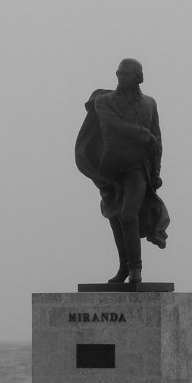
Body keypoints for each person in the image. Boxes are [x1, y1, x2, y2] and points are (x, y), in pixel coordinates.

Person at [74, 58, 169, 284]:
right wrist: (144, 135)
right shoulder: (104, 102)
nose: (120, 78)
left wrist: (156, 171)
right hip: (110, 168)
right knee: (115, 216)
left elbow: (158, 139)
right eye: (118, 74)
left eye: (125, 74)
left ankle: (136, 269)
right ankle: (124, 267)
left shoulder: (149, 104)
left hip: (137, 169)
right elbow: (112, 125)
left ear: (137, 77)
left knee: (128, 214)